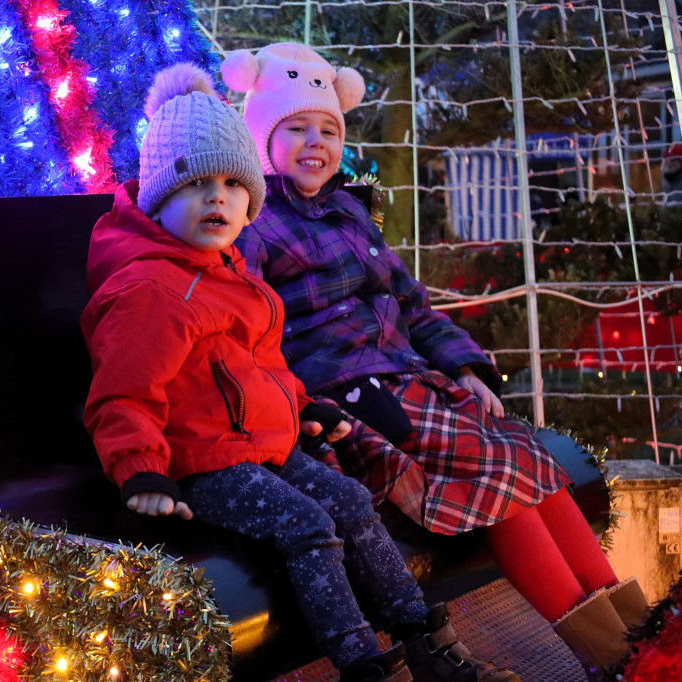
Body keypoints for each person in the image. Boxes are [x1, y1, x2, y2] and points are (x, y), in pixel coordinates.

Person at [220, 42, 648, 680]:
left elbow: (414, 307)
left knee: (532, 460)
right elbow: (251, 332)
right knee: (498, 472)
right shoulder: (252, 222)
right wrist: (302, 408)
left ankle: (642, 641)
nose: (316, 142)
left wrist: (467, 369)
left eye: (328, 130)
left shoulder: (351, 215)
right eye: (296, 128)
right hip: (351, 399)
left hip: (416, 383)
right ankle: (611, 661)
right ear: (264, 138)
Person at [81, 62, 511, 682]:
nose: (217, 198)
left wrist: (304, 408)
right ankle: (362, 660)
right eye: (194, 185)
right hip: (201, 463)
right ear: (157, 196)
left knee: (351, 499)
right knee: (309, 525)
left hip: (263, 445)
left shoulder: (229, 272)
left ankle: (424, 635)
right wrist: (141, 470)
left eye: (233, 184)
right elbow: (123, 393)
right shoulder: (151, 290)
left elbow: (262, 365)